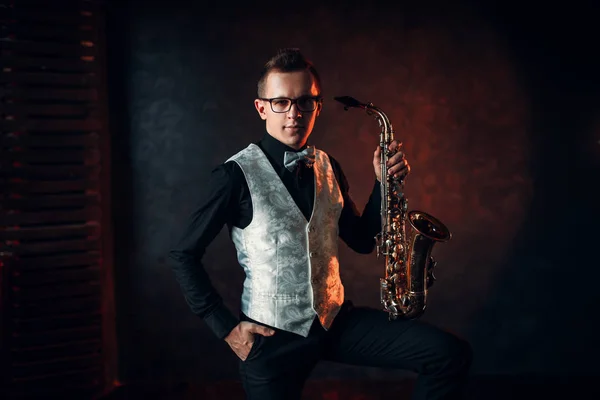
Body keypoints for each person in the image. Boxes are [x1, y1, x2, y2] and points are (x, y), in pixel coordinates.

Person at [168, 48, 472, 400]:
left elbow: (360, 240)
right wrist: (225, 328)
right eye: (281, 102)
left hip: (336, 321)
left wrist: (381, 184)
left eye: (304, 102)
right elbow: (183, 254)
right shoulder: (232, 176)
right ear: (261, 108)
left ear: (318, 106)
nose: (294, 114)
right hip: (271, 339)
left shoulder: (329, 165)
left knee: (448, 354)